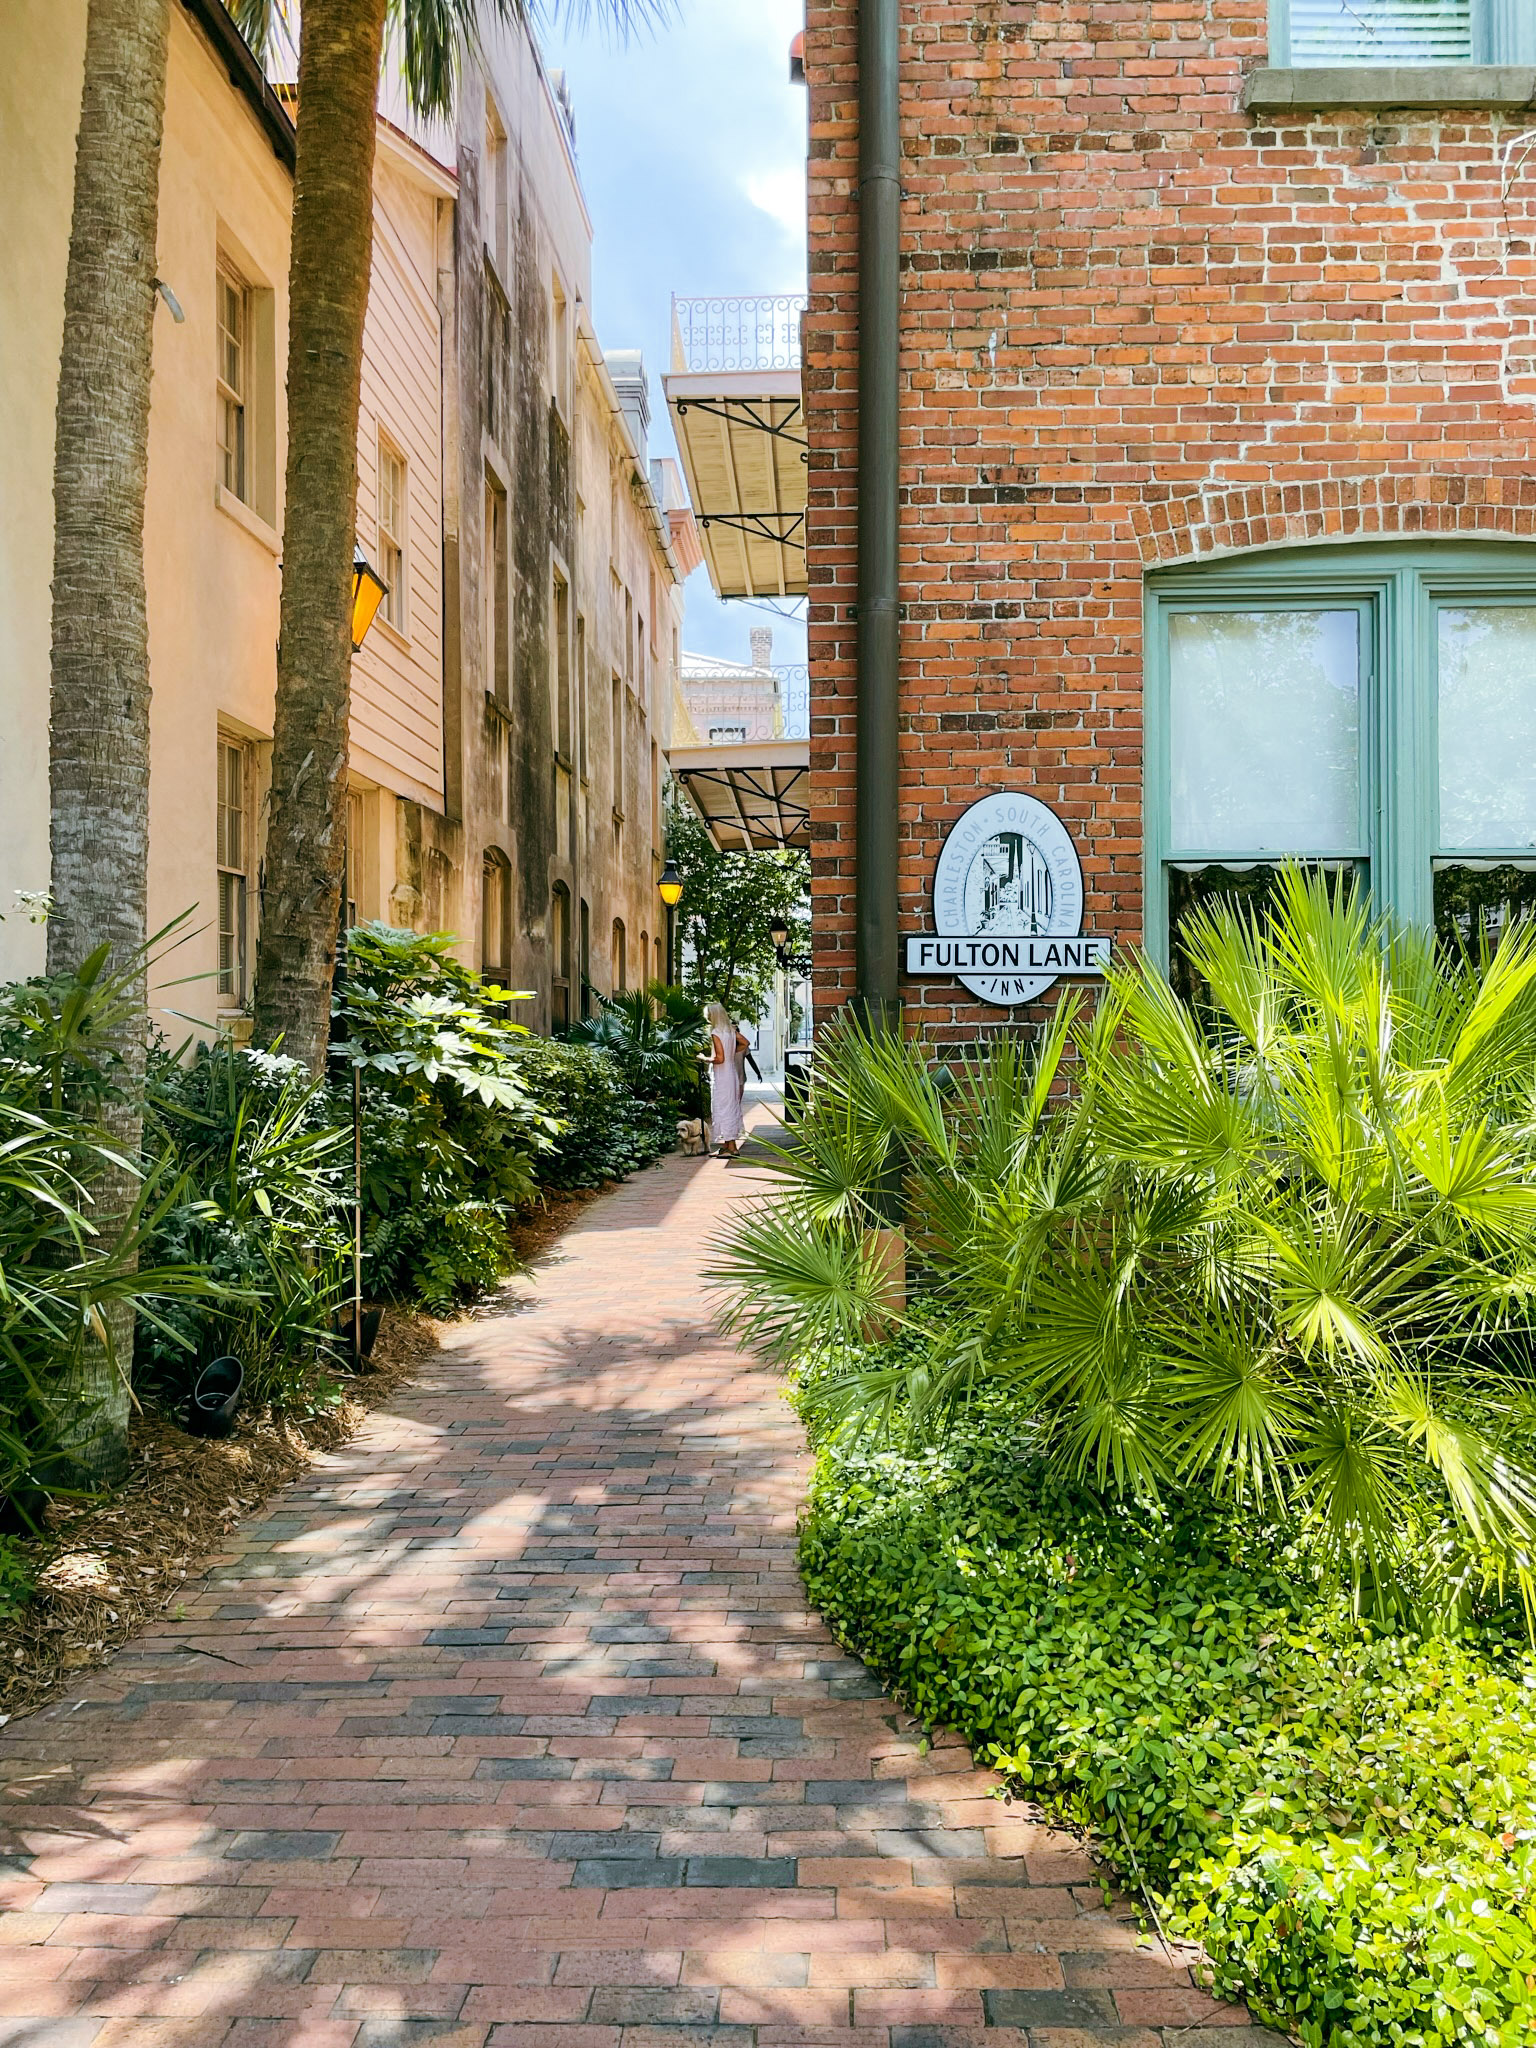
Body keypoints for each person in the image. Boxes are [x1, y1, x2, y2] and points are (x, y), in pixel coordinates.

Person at [706, 1000, 749, 1156]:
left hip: (722, 1076)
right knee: (730, 1107)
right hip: (732, 1074)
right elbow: (745, 1042)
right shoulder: (731, 1031)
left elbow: (719, 1058)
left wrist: (704, 1058)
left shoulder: (716, 1033)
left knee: (723, 1108)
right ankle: (728, 1146)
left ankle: (732, 1147)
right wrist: (733, 1051)